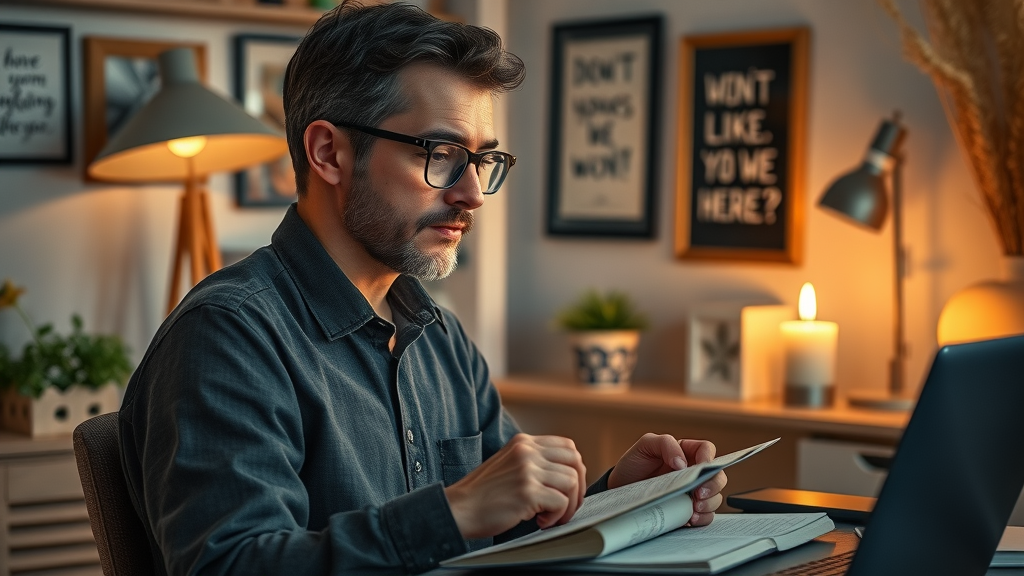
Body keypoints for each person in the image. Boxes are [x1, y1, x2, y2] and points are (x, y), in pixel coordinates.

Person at [117, 2, 727, 575]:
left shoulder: (439, 335)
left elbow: (511, 528)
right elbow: (230, 565)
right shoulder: (229, 337)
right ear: (328, 152)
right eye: (440, 153)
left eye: (483, 161)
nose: (471, 194)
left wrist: (617, 498)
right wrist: (453, 511)